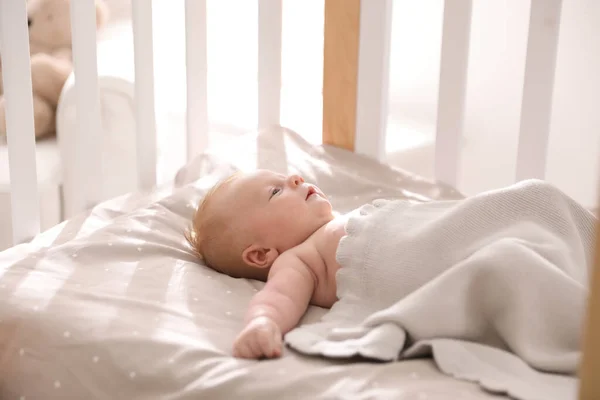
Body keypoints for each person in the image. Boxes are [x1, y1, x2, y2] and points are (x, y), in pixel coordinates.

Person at [185, 170, 347, 359]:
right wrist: (263, 321)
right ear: (261, 254)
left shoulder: (340, 220)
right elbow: (279, 298)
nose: (295, 178)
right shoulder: (299, 261)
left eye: (285, 177)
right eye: (275, 192)